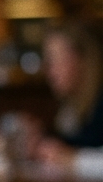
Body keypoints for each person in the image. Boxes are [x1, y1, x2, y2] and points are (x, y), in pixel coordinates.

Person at [33, 22, 103, 171]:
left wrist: (74, 159)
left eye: (55, 58)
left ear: (84, 60)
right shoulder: (72, 108)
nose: (48, 70)